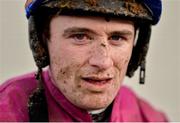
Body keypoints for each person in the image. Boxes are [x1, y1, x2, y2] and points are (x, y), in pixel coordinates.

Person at [0, 0, 168, 122]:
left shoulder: (148, 117)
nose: (103, 62)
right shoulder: (6, 111)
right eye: (80, 37)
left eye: (117, 37)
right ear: (42, 41)